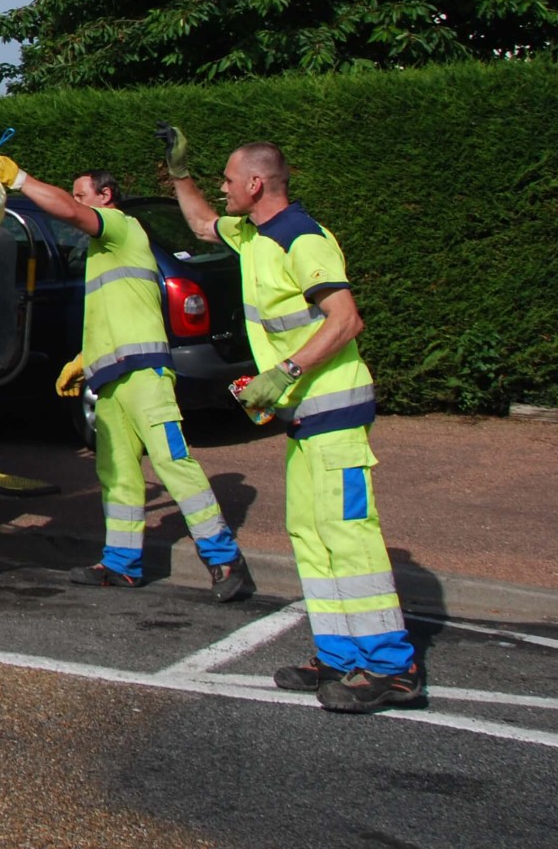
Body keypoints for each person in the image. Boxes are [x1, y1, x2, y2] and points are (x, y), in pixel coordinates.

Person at [159, 125, 424, 714]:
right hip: (306, 415)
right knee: (309, 533)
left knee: (348, 536)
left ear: (256, 183)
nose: (223, 189)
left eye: (229, 180)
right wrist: (180, 174)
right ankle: (338, 655)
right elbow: (204, 223)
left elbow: (345, 320)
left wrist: (284, 372)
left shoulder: (302, 238)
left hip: (333, 407)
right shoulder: (255, 236)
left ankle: (392, 669)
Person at [0, 153, 254, 602]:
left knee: (173, 465)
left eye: (83, 194)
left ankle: (224, 559)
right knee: (117, 475)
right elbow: (117, 316)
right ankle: (121, 564)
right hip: (113, 380)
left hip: (146, 377)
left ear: (106, 197)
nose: (76, 203)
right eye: (78, 196)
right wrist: (84, 360)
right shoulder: (102, 255)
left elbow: (66, 210)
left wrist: (22, 178)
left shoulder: (123, 227)